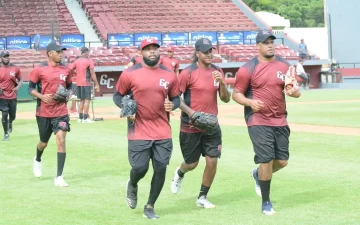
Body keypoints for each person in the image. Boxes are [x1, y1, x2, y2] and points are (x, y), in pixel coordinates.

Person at [232, 29, 301, 215]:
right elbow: (236, 94)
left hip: (280, 119)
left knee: (283, 161)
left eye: (272, 41)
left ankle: (256, 174)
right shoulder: (248, 68)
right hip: (258, 119)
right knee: (266, 159)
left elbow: (294, 89)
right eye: (266, 42)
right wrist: (250, 102)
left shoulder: (285, 66)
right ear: (258, 46)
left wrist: (295, 93)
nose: (270, 45)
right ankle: (266, 202)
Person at [113, 38, 180, 219]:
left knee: (160, 168)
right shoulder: (129, 73)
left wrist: (172, 106)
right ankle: (133, 183)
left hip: (162, 130)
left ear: (159, 51)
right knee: (140, 168)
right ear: (141, 53)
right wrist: (126, 109)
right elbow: (118, 96)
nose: (152, 52)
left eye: (154, 48)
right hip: (138, 129)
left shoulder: (169, 75)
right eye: (147, 49)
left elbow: (176, 98)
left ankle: (150, 206)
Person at [170, 38, 231, 208]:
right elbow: (175, 97)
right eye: (205, 52)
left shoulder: (218, 71)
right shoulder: (188, 73)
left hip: (211, 125)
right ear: (197, 53)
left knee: (212, 161)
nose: (209, 54)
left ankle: (202, 197)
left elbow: (226, 99)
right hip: (191, 126)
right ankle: (180, 172)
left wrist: (222, 83)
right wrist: (192, 113)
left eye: (211, 51)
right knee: (192, 164)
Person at [29, 41, 73, 187]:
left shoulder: (66, 69)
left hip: (61, 112)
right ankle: (37, 159)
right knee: (44, 143)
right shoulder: (39, 69)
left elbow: (70, 85)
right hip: (44, 112)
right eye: (58, 52)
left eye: (62, 52)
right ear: (50, 54)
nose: (61, 54)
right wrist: (41, 96)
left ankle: (59, 177)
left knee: (61, 140)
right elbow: (30, 88)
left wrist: (68, 93)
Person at [68, 47, 100, 123]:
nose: (89, 54)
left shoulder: (77, 61)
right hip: (86, 82)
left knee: (81, 100)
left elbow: (70, 69)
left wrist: (76, 74)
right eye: (88, 52)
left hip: (78, 83)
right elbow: (92, 73)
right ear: (85, 53)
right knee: (87, 100)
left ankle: (80, 118)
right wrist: (97, 84)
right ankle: (86, 118)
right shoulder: (89, 60)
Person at [0, 51, 23, 141]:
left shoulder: (15, 68)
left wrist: (17, 87)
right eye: (4, 56)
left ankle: (10, 122)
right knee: (4, 113)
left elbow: (21, 80)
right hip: (2, 96)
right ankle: (6, 133)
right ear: (1, 58)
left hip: (13, 95)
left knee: (12, 115)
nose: (6, 58)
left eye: (7, 56)